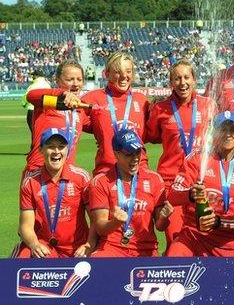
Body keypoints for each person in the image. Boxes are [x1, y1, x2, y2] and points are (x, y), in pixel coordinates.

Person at [146, 60, 217, 249]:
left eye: (186, 77)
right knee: (175, 239)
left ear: (194, 80)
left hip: (200, 182)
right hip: (171, 182)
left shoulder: (209, 105)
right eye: (177, 78)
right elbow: (151, 136)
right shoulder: (160, 108)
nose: (182, 82)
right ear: (170, 82)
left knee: (204, 238)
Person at [166, 111, 234, 257]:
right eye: (223, 129)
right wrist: (191, 194)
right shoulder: (198, 158)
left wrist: (219, 222)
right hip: (192, 236)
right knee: (174, 260)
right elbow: (172, 195)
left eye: (233, 129)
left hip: (227, 242)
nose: (228, 134)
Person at [89, 129, 171, 257]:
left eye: (137, 152)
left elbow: (160, 227)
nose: (135, 159)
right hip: (113, 248)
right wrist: (116, 222)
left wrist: (164, 217)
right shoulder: (101, 181)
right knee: (97, 261)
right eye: (128, 154)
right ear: (116, 154)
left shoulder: (154, 179)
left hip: (145, 248)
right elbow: (100, 227)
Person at [15, 128, 95, 258]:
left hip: (77, 247)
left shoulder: (81, 177)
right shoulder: (30, 182)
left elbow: (95, 219)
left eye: (61, 147)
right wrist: (34, 244)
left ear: (67, 150)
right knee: (21, 258)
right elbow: (25, 226)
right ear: (41, 150)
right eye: (51, 147)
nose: (56, 151)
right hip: (45, 246)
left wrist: (89, 245)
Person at [82, 52, 150, 175]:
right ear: (107, 73)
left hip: (139, 170)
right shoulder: (94, 98)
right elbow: (73, 118)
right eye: (118, 71)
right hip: (107, 172)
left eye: (128, 71)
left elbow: (155, 131)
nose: (124, 76)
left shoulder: (142, 100)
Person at [23, 61, 89, 175]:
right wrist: (62, 93)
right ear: (57, 80)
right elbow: (31, 95)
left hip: (65, 175)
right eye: (70, 79)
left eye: (79, 79)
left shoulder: (80, 109)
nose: (75, 84)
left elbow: (99, 126)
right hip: (38, 172)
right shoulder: (50, 102)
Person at [22, 69, 51, 140]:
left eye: (33, 75)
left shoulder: (33, 85)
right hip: (44, 111)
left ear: (37, 76)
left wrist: (24, 105)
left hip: (32, 110)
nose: (32, 76)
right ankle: (42, 148)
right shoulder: (47, 85)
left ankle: (34, 149)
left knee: (34, 131)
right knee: (42, 130)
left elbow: (25, 98)